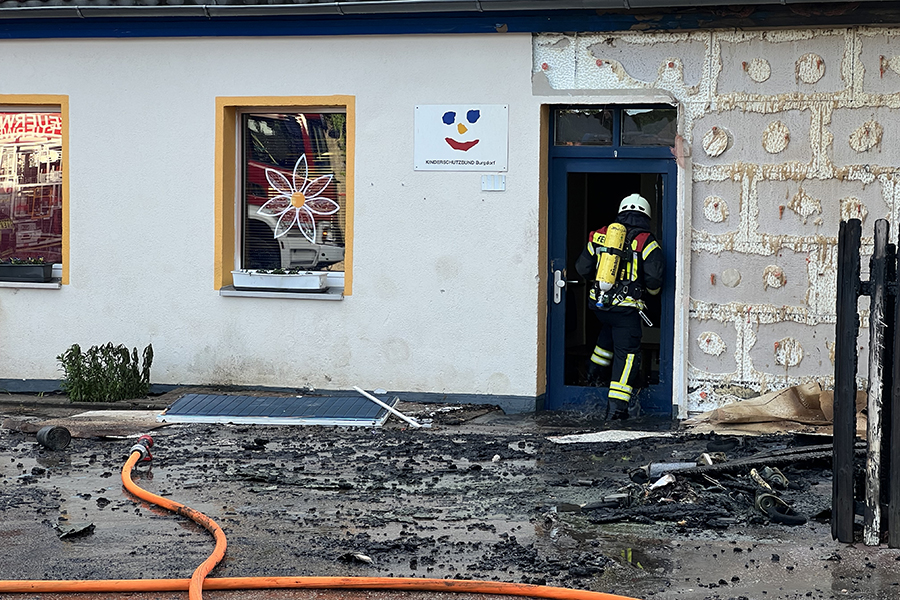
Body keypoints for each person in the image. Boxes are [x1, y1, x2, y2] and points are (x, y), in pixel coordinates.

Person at [574, 193, 664, 420]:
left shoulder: (600, 235)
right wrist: (652, 293)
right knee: (628, 356)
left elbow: (582, 268)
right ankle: (617, 409)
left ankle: (593, 379)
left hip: (600, 306)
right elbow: (654, 278)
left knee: (606, 340)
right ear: (646, 215)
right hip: (626, 310)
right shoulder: (646, 241)